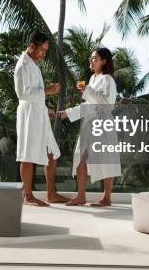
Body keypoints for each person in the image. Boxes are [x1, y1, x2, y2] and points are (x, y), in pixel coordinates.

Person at [57, 48, 121, 207]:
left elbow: (109, 104)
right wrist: (68, 112)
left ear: (104, 61)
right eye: (91, 58)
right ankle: (81, 196)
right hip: (89, 123)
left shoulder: (108, 79)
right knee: (80, 157)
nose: (91, 61)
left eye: (95, 58)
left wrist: (88, 90)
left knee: (107, 159)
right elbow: (88, 105)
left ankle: (107, 197)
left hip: (103, 122)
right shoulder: (92, 78)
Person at [14, 31, 69, 206]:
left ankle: (51, 194)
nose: (44, 54)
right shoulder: (23, 65)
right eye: (42, 50)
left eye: (45, 50)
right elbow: (22, 94)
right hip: (28, 115)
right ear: (31, 46)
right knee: (27, 154)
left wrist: (46, 109)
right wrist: (47, 90)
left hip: (38, 114)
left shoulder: (33, 63)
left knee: (51, 152)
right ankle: (28, 196)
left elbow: (34, 94)